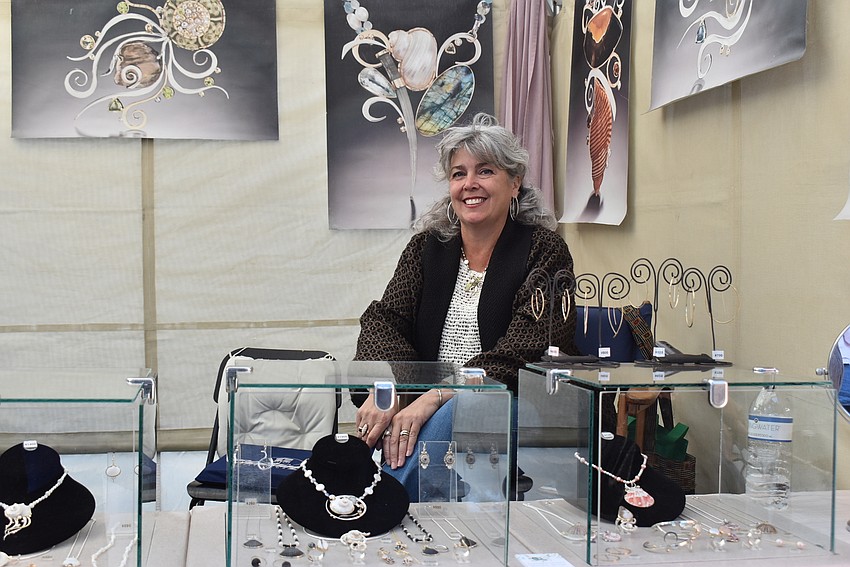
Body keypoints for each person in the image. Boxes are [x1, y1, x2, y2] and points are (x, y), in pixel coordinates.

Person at [352, 113, 579, 498]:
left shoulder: (543, 249)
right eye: (458, 174)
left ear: (515, 183)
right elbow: (383, 321)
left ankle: (380, 509)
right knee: (393, 416)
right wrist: (394, 388)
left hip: (513, 400)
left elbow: (523, 351)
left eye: (485, 171)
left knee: (448, 416)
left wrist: (438, 395)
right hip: (427, 398)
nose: (469, 184)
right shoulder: (427, 248)